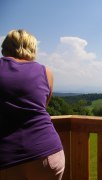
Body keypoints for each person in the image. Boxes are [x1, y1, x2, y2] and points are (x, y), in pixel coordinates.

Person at [0, 29, 64, 180]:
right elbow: (42, 107)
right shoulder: (46, 72)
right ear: (32, 48)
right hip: (48, 154)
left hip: (7, 158)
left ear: (5, 47)